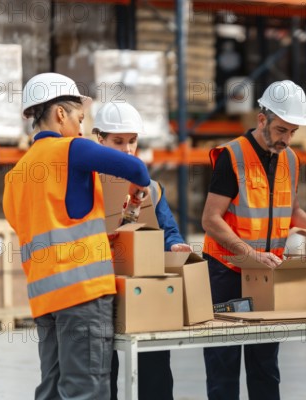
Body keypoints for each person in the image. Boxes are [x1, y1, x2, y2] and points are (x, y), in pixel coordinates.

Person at [3, 73, 151, 400]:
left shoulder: (15, 177)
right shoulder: (72, 149)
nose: (82, 128)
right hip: (83, 295)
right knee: (86, 389)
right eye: (79, 118)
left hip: (44, 300)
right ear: (60, 114)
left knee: (53, 390)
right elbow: (138, 171)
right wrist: (134, 188)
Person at [201, 80, 306, 400]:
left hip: (266, 273)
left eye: (292, 132)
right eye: (281, 130)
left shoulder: (290, 159)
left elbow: (292, 212)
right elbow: (210, 219)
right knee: (224, 362)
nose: (286, 139)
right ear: (262, 120)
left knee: (265, 364)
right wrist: (249, 253)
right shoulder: (231, 156)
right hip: (226, 271)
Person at [92, 102, 192, 400]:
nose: (127, 149)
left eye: (132, 141)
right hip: (100, 291)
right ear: (100, 140)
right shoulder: (89, 186)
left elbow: (167, 229)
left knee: (155, 368)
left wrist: (174, 245)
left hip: (143, 291)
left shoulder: (153, 188)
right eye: (118, 141)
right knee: (101, 373)